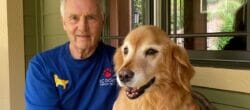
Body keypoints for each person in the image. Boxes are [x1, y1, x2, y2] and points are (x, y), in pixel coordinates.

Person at [25, 0, 118, 109]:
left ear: (102, 21)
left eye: (91, 17)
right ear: (64, 22)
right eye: (74, 18)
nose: (83, 27)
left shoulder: (120, 62)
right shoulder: (42, 67)